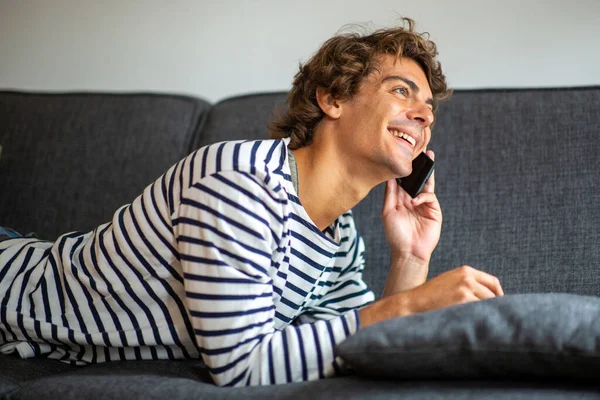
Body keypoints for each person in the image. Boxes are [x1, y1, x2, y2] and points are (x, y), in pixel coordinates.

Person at [0, 18, 504, 387]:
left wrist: (411, 257)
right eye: (402, 91)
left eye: (429, 110)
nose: (424, 115)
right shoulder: (240, 182)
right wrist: (417, 302)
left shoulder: (340, 239)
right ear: (333, 98)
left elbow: (353, 352)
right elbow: (242, 366)